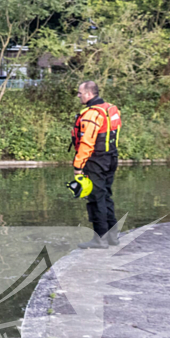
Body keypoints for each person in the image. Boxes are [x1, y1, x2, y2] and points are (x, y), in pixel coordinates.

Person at [70, 81, 122, 249]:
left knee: (95, 198)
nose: (78, 96)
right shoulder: (111, 109)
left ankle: (100, 239)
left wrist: (78, 166)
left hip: (95, 161)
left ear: (89, 94)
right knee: (106, 195)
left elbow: (86, 143)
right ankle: (113, 236)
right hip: (111, 157)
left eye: (80, 93)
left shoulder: (91, 115)